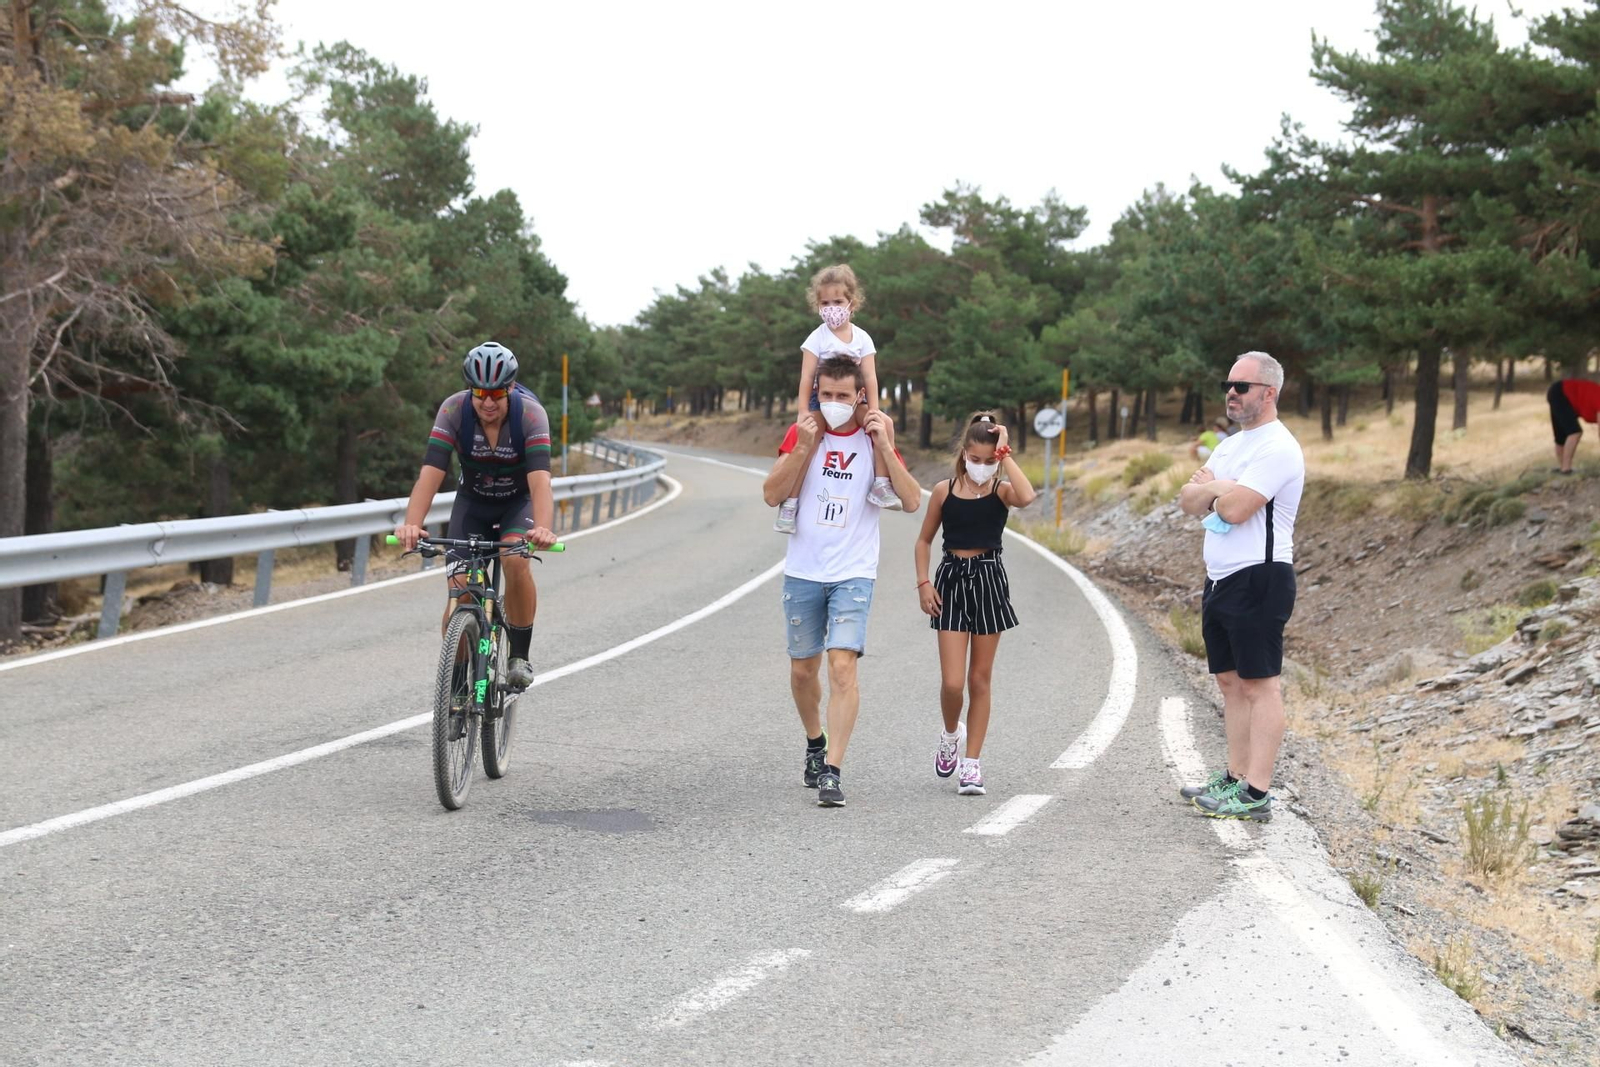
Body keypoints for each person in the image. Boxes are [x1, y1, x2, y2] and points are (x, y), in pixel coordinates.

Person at [762, 355, 923, 807]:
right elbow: (772, 494)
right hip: (803, 571)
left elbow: (911, 502)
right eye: (826, 395)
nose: (834, 403)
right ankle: (815, 741)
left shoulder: (875, 439)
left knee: (842, 667)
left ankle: (833, 770)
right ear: (817, 394)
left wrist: (886, 447)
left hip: (853, 573)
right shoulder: (802, 432)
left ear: (860, 396)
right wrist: (801, 449)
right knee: (802, 670)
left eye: (842, 396)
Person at [1176, 351, 1305, 823]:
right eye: (1228, 384)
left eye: (1241, 386)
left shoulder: (1279, 447)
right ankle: (1233, 777)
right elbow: (1188, 500)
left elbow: (1233, 510)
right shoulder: (1230, 445)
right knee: (1229, 682)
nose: (1231, 392)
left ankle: (1256, 792)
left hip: (1260, 575)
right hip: (1221, 577)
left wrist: (1218, 489)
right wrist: (1220, 485)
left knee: (1259, 684)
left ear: (1268, 393)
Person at [393, 341, 558, 688]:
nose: (487, 402)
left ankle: (519, 656)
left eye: (496, 394)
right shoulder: (453, 411)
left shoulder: (530, 415)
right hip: (473, 504)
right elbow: (430, 475)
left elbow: (541, 482)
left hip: (518, 503)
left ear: (510, 388)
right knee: (460, 591)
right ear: (470, 388)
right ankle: (455, 688)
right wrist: (412, 524)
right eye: (479, 392)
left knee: (515, 560)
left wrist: (543, 528)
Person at [913, 412, 1036, 796]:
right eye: (977, 459)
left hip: (988, 580)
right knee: (952, 682)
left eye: (990, 461)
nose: (982, 467)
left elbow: (1028, 497)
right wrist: (923, 583)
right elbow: (923, 541)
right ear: (965, 453)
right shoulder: (944, 491)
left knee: (979, 679)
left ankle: (972, 764)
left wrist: (1007, 455)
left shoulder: (1001, 491)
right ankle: (951, 734)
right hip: (950, 580)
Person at [775, 264, 897, 534]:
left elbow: (870, 377)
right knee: (807, 440)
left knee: (884, 425)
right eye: (825, 302)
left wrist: (873, 410)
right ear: (818, 305)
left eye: (838, 301)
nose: (832, 307)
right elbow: (807, 377)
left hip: (855, 402)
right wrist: (803, 411)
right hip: (823, 402)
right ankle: (790, 504)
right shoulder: (816, 338)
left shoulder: (862, 338)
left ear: (852, 302)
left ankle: (881, 483)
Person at [1547, 377, 1600, 475]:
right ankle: (1566, 470)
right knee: (1574, 432)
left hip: (1557, 391)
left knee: (1561, 437)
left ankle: (1563, 468)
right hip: (1561, 392)